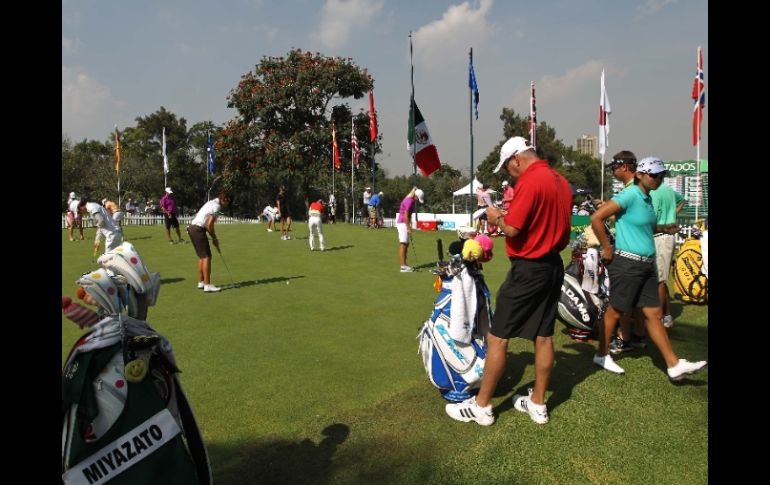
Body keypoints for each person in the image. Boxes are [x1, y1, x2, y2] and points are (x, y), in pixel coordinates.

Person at [445, 136, 572, 426]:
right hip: (554, 265)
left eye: (507, 167)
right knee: (544, 336)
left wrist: (495, 216)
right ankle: (538, 403)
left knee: (498, 336)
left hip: (529, 268)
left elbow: (513, 229)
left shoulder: (530, 180)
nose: (508, 172)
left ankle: (482, 406)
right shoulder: (560, 181)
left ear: (517, 158)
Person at [589, 157, 707, 380]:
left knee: (653, 314)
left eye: (661, 176)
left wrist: (664, 227)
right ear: (640, 174)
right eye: (653, 175)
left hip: (646, 265)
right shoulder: (630, 194)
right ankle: (601, 354)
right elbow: (597, 217)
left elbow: (645, 227)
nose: (658, 179)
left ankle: (673, 365)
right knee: (615, 311)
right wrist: (606, 248)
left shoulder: (647, 198)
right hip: (628, 264)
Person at [650, 176, 685, 328]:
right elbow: (682, 200)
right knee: (660, 279)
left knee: (659, 280)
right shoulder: (668, 189)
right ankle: (666, 314)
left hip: (660, 236)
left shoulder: (654, 192)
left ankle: (659, 317)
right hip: (663, 236)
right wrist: (673, 214)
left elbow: (651, 218)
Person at [187, 192, 231, 293]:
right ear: (224, 200)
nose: (228, 204)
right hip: (198, 229)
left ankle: (201, 282)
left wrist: (213, 238)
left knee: (202, 256)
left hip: (192, 228)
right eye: (228, 201)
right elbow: (209, 225)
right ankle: (207, 285)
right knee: (207, 257)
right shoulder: (216, 207)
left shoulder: (212, 202)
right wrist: (215, 238)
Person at [396, 187, 424, 272]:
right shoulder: (409, 201)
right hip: (402, 223)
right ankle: (403, 266)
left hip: (404, 223)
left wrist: (409, 226)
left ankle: (404, 264)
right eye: (418, 198)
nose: (417, 200)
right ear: (415, 196)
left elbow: (408, 216)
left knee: (406, 244)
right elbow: (405, 216)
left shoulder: (409, 199)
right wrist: (408, 228)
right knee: (403, 244)